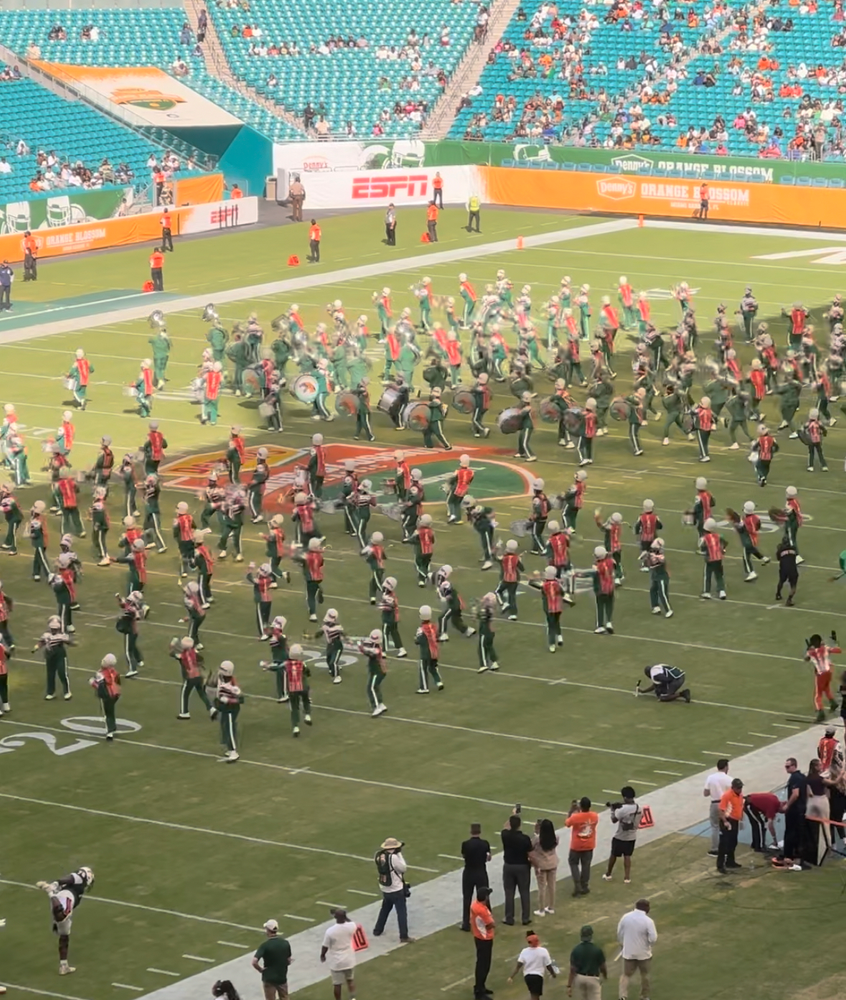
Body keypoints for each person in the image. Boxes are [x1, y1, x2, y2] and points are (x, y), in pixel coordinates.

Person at [35, 866, 95, 975]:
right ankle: (49, 893)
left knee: (64, 935)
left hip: (62, 902)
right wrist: (54, 885)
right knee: (61, 916)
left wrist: (54, 885)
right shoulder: (79, 878)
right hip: (64, 900)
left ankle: (64, 966)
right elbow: (69, 878)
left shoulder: (77, 884)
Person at [372, 837, 413, 942]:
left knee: (385, 909)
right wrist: (399, 854)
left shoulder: (379, 855)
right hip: (396, 889)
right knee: (401, 912)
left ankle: (378, 929)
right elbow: (403, 868)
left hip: (385, 888)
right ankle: (404, 936)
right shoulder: (393, 857)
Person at [616, 899, 657, 1000]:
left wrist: (623, 944)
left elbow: (619, 933)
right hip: (644, 954)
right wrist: (648, 944)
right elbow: (653, 938)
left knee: (626, 975)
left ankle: (623, 996)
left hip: (629, 953)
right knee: (645, 975)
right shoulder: (648, 921)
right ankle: (644, 996)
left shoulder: (626, 917)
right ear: (646, 908)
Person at [602, 786, 642, 884]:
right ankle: (627, 877)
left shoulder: (623, 810)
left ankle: (608, 874)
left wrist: (612, 810)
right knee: (627, 856)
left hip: (620, 836)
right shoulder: (639, 808)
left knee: (613, 855)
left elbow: (614, 820)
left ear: (625, 797)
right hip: (632, 836)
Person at [500, 809, 533, 925]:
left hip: (509, 865)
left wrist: (513, 814)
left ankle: (509, 917)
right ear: (519, 825)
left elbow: (505, 826)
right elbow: (530, 854)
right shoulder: (525, 838)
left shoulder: (505, 835)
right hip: (522, 866)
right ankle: (525, 918)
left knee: (509, 892)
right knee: (524, 892)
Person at [320, 909, 358, 1000]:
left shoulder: (330, 931)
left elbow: (325, 946)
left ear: (335, 917)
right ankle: (353, 998)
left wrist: (322, 955)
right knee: (350, 980)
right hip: (349, 959)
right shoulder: (351, 926)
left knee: (337, 984)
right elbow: (351, 922)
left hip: (337, 961)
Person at [776, 757, 807, 870]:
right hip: (801, 808)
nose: (786, 768)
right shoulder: (802, 777)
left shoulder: (795, 778)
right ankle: (795, 855)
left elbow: (795, 794)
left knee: (790, 832)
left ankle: (788, 855)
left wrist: (787, 806)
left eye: (788, 766)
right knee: (797, 832)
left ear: (794, 765)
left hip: (794, 809)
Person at [565, 797, 599, 897]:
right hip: (589, 844)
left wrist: (571, 810)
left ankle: (577, 886)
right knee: (586, 865)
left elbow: (567, 823)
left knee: (573, 863)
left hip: (576, 845)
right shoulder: (594, 816)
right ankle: (584, 885)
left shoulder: (575, 817)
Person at [507, 932, 557, 1000]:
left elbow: (518, 966)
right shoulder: (543, 951)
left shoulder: (524, 951)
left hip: (527, 977)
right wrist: (553, 974)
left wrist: (511, 977)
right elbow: (548, 965)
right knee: (535, 996)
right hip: (537, 976)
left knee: (534, 994)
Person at [460, 823, 491, 931]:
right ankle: (487, 921)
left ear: (471, 831)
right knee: (484, 897)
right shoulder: (485, 844)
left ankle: (466, 923)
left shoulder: (465, 844)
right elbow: (488, 858)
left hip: (469, 872)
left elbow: (464, 856)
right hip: (481, 871)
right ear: (480, 831)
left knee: (467, 897)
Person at [251, 919, 292, 1000]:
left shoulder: (265, 946)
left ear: (268, 930)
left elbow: (254, 962)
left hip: (269, 977)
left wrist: (260, 970)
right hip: (281, 976)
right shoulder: (285, 943)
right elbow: (288, 960)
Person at [567, 925, 607, 1000]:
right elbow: (602, 966)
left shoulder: (576, 949)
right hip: (593, 978)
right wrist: (605, 976)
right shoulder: (597, 949)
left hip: (580, 978)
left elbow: (572, 969)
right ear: (591, 935)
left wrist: (569, 985)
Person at [470, 886, 495, 1000]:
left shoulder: (475, 905)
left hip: (478, 936)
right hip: (485, 939)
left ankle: (480, 987)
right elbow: (491, 924)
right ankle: (479, 991)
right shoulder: (483, 910)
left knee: (481, 963)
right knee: (484, 965)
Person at [703, 759, 731, 857]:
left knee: (715, 826)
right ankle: (727, 848)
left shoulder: (711, 777)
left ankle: (715, 849)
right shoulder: (729, 779)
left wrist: (714, 791)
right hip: (726, 804)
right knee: (726, 826)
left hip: (715, 803)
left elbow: (705, 793)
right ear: (726, 767)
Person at [716, 777, 745, 874]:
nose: (740, 789)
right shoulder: (727, 795)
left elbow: (740, 806)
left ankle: (730, 861)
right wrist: (725, 822)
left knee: (733, 842)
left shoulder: (740, 795)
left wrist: (741, 819)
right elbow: (721, 810)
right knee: (724, 844)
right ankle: (720, 865)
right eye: (738, 788)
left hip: (735, 821)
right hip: (728, 820)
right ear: (733, 787)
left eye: (741, 788)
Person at [531, 818, 559, 916]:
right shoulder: (556, 838)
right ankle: (551, 907)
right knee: (552, 886)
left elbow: (531, 846)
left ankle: (541, 909)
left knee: (542, 887)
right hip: (552, 863)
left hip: (541, 865)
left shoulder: (537, 839)